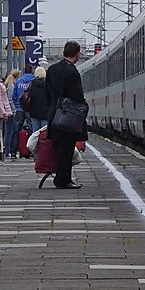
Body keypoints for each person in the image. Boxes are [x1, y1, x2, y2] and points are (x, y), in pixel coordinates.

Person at [45, 42, 86, 189]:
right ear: (77, 54)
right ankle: (64, 180)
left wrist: (53, 107)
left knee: (58, 148)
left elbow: (47, 93)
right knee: (67, 149)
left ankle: (60, 178)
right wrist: (83, 107)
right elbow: (77, 95)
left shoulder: (52, 69)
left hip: (54, 113)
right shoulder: (72, 72)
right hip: (68, 116)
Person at [26, 65, 50, 134]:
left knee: (35, 133)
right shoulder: (48, 84)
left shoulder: (32, 84)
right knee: (44, 133)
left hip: (34, 112)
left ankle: (35, 145)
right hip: (45, 113)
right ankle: (43, 145)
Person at [3, 68, 21, 157]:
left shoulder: (7, 84)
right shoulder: (12, 86)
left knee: (8, 131)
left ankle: (6, 150)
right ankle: (7, 151)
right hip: (10, 111)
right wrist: (14, 109)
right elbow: (10, 99)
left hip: (7, 110)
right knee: (9, 131)